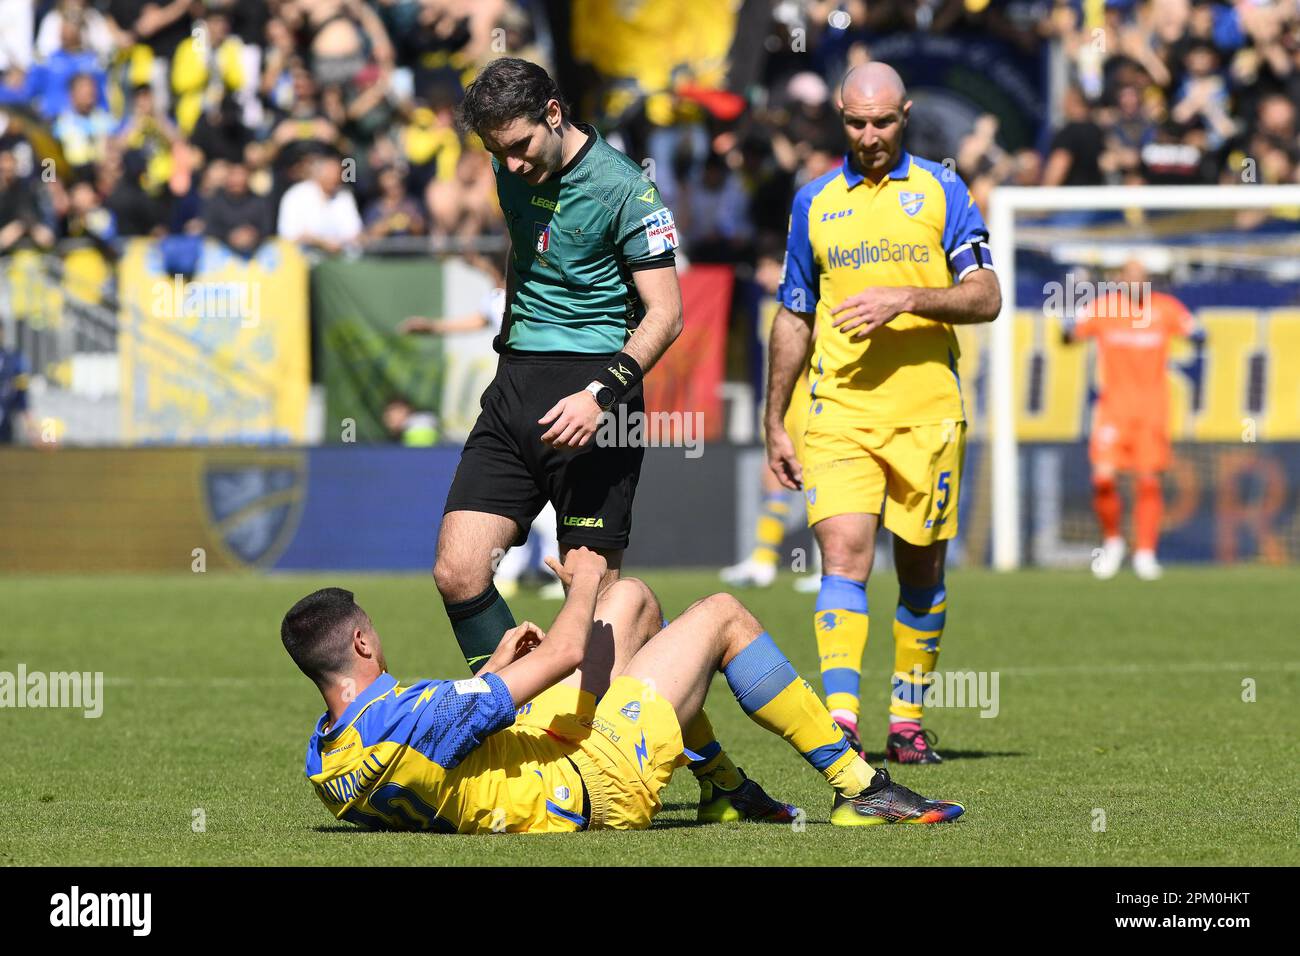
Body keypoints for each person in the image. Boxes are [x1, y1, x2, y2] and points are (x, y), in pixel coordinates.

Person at [281, 548, 965, 832]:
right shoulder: (414, 717)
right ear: (364, 644)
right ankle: (861, 788)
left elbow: (437, 736)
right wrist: (580, 581)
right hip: (588, 781)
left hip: (529, 752)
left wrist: (492, 675)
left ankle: (723, 790)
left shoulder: (323, 762)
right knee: (721, 614)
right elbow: (570, 651)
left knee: (632, 600)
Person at [765, 62, 1001, 765]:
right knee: (843, 554)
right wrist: (774, 416)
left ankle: (905, 721)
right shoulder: (813, 201)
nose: (869, 135)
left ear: (905, 117)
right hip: (837, 409)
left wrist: (906, 297)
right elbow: (794, 313)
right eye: (856, 122)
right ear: (840, 117)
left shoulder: (942, 188)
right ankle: (841, 723)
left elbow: (986, 295)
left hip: (927, 414)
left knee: (921, 570)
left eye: (883, 122)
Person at [433, 57, 681, 677]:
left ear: (553, 113)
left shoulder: (626, 188)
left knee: (596, 604)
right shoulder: (507, 162)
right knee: (458, 571)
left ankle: (661, 750)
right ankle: (518, 714)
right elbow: (525, 249)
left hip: (596, 394)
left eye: (519, 146)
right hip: (514, 382)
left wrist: (599, 397)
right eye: (498, 151)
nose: (511, 164)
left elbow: (667, 314)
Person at [1064, 259, 1202, 581]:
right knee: (1103, 478)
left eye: (1143, 277)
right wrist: (1071, 298)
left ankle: (1145, 553)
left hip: (1152, 410)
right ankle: (1113, 541)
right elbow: (1068, 336)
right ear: (1120, 279)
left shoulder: (1165, 308)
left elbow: (1198, 333)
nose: (1136, 282)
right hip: (1113, 409)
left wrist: (1196, 333)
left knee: (1149, 481)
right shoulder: (1103, 309)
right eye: (1131, 276)